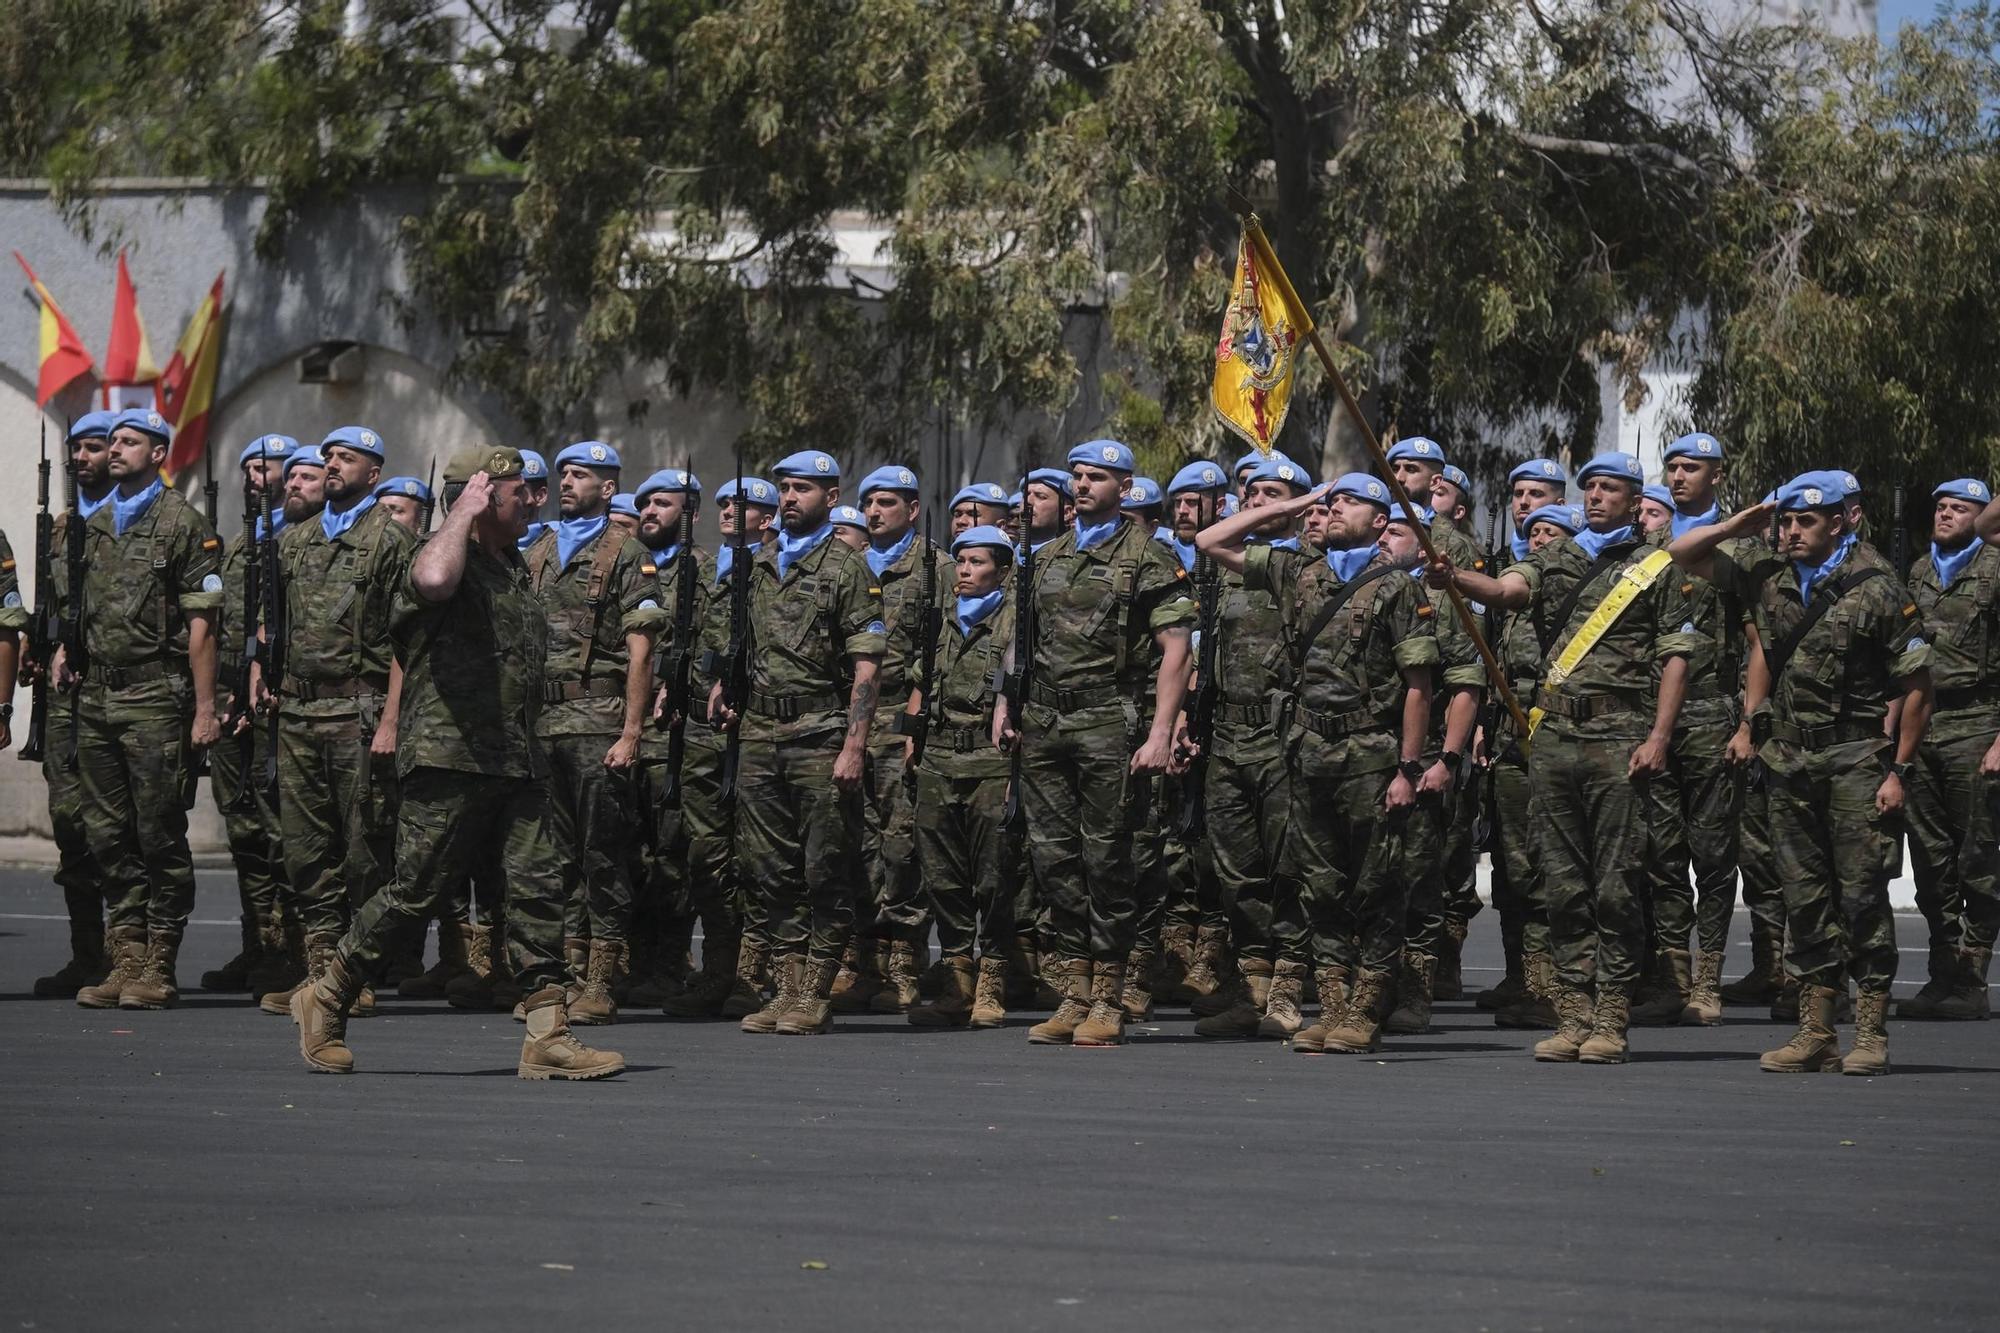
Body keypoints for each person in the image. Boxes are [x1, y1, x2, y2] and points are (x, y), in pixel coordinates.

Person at [290, 446, 624, 1079]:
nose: (535, 500)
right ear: (481, 494)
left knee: (538, 888)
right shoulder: (440, 554)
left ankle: (548, 1033)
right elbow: (433, 583)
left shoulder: (512, 566)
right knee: (416, 891)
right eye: (521, 491)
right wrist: (463, 513)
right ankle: (329, 993)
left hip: (516, 757)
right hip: (451, 757)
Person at [1430, 452, 1702, 1064]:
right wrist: (1456, 579)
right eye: (1591, 487)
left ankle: (1611, 1017)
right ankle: (1574, 1013)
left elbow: (1676, 658)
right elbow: (1506, 590)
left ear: (1635, 500)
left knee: (1616, 884)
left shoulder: (1657, 567)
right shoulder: (1557, 558)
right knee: (1562, 884)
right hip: (1553, 737)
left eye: (1610, 488)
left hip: (1619, 735)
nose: (1597, 496)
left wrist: (1660, 737)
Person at [1669, 471, 1932, 1075]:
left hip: (1855, 759)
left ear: (1840, 521)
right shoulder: (1768, 575)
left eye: (1805, 521)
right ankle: (1815, 1031)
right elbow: (1680, 554)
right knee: (1804, 897)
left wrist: (1899, 769)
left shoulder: (1878, 587)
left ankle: (1870, 1034)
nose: (1791, 531)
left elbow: (1918, 687)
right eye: (1785, 521)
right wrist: (1740, 523)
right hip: (1788, 760)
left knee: (1862, 896)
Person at [1198, 472, 1436, 1053]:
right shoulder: (1299, 571)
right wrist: (1301, 500)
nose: (1333, 509)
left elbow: (1418, 686)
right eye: (1331, 502)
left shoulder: (1397, 587)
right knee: (1319, 886)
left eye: (1348, 502)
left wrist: (1408, 769)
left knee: (1375, 885)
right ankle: (1332, 1006)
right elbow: (1211, 541)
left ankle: (1366, 1008)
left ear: (1380, 521)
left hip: (1370, 753)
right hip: (1308, 752)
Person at [996, 440, 1194, 1047]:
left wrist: (1160, 732)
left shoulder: (1148, 556)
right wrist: (1006, 705)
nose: (1083, 485)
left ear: (1124, 487)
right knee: (1053, 859)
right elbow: (1018, 639)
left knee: (1109, 859)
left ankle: (1108, 995)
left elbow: (1177, 650)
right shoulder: (1045, 556)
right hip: (1045, 722)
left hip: (1111, 721)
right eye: (1078, 476)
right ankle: (1074, 991)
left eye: (1097, 477)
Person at [708, 450, 885, 1036]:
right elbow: (737, 642)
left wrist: (854, 746)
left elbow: (867, 665)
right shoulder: (756, 564)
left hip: (820, 734)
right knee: (768, 870)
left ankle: (816, 991)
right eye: (784, 487)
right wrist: (723, 686)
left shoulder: (847, 568)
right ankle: (786, 987)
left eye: (802, 488)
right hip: (759, 735)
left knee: (824, 867)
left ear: (830, 498)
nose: (789, 497)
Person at [259, 426, 414, 1020]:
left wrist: (392, 721)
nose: (331, 466)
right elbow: (275, 624)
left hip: (359, 710)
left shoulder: (391, 541)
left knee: (364, 848)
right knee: (305, 848)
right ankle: (320, 972)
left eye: (346, 459)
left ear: (373, 474)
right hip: (299, 711)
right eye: (328, 457)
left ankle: (354, 976)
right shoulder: (295, 540)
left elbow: (407, 643)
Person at [71, 408, 223, 1011]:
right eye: (112, 441)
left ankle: (159, 961)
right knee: (106, 834)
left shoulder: (183, 523)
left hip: (157, 695)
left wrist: (205, 708)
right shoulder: (95, 523)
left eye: (129, 442)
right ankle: (126, 957)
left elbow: (203, 624)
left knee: (158, 830)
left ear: (158, 453)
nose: (115, 449)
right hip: (97, 697)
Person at [521, 441, 665, 1024]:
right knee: (551, 857)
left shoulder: (627, 553)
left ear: (608, 488)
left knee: (602, 852)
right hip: (541, 722)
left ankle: (601, 982)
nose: (566, 483)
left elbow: (642, 650)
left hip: (596, 719)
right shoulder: (538, 549)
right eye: (564, 474)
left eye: (579, 475)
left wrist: (632, 732)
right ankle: (564, 976)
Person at [1188, 457, 1309, 1038]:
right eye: (1252, 491)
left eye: (1273, 493)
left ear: (1300, 505)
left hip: (1284, 738)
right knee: (1236, 870)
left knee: (1290, 868)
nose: (1258, 500)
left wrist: (1290, 511)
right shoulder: (1223, 571)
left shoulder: (1306, 565)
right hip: (1228, 734)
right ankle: (1251, 987)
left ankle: (1288, 989)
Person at [1635, 432, 1749, 1027]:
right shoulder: (1647, 545)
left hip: (1711, 715)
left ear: (1717, 475)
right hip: (1653, 718)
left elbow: (1758, 639)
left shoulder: (1742, 548)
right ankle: (1672, 978)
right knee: (1662, 854)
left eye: (1692, 468)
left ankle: (1708, 980)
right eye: (1673, 467)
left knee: (1713, 856)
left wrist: (1749, 722)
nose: (1679, 477)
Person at [660, 474, 779, 1019]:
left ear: (768, 518)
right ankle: (719, 968)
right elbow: (680, 637)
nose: (729, 509)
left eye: (743, 504)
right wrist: (671, 686)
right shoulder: (701, 568)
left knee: (757, 856)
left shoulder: (776, 569)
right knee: (705, 854)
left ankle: (755, 973)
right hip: (698, 730)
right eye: (725, 502)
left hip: (751, 728)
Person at [836, 465, 950, 1013]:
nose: (874, 512)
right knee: (855, 844)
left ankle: (905, 961)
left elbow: (945, 651)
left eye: (886, 503)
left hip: (904, 716)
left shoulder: (936, 569)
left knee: (902, 844)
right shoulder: (849, 565)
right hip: (851, 720)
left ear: (912, 508)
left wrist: (918, 726)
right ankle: (867, 962)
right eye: (869, 504)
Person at [904, 524, 1019, 1028]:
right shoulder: (944, 618)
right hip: (938, 760)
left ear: (1002, 570)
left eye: (977, 562)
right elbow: (920, 681)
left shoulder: (1016, 622)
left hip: (991, 763)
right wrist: (911, 737)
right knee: (942, 876)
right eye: (962, 562)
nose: (965, 571)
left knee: (994, 876)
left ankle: (992, 980)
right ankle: (957, 980)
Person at [199, 435, 297, 1002]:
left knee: (280, 828)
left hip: (272, 700)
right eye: (250, 469)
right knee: (243, 829)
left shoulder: (297, 537)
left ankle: (289, 949)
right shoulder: (239, 543)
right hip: (232, 694)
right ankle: (258, 942)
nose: (256, 477)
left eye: (268, 468)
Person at [1897, 477, 1999, 1020]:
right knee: (1929, 857)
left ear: (1981, 517)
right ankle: (1943, 973)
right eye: (1940, 506)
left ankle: (1972, 978)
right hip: (1924, 724)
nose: (1945, 514)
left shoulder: (1995, 568)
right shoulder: (1918, 570)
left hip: (1979, 721)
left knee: (1978, 855)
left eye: (1959, 508)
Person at [29, 412, 116, 998]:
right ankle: (87, 954)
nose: (81, 457)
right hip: (65, 698)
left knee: (122, 830)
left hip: (122, 695)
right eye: (75, 448)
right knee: (70, 825)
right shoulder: (60, 529)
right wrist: (40, 644)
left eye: (94, 447)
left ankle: (133, 957)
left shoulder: (133, 525)